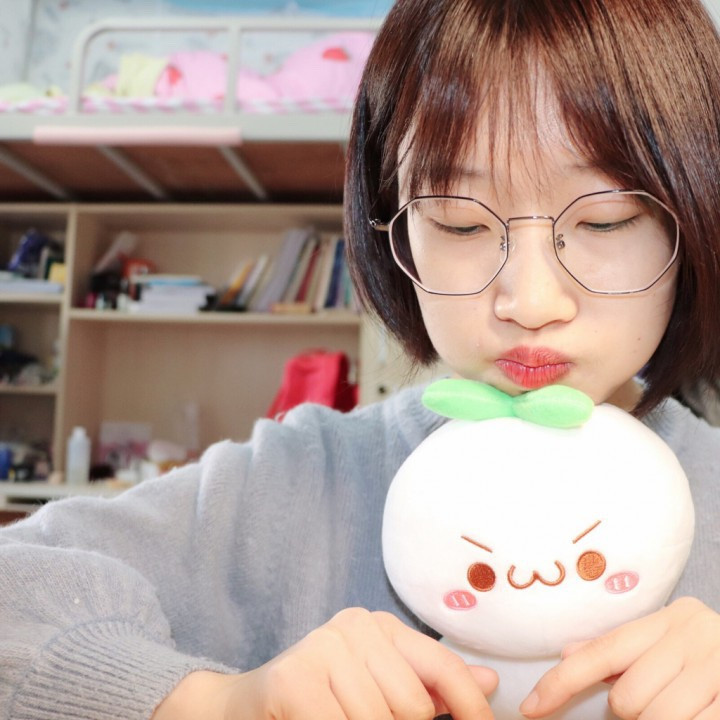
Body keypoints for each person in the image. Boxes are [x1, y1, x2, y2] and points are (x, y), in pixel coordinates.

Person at [2, 0, 720, 718]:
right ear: (393, 226)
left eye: (604, 219)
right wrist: (219, 704)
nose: (530, 301)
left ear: (695, 215)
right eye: (460, 222)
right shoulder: (299, 479)